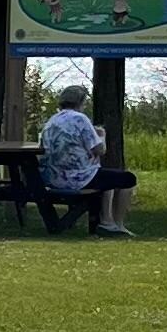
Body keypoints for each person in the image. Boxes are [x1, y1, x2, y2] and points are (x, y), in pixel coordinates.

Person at [37, 79, 137, 235]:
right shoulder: (80, 119)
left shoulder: (51, 122)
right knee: (128, 179)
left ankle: (107, 220)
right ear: (81, 102)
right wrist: (102, 135)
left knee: (107, 178)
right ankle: (117, 224)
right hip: (79, 178)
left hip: (53, 178)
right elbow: (100, 150)